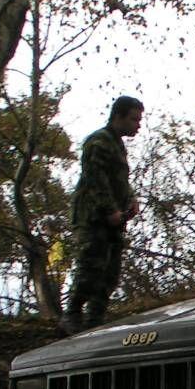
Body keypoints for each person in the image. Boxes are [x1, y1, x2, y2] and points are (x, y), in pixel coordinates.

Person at [59, 96, 143, 335]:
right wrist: (109, 210)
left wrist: (130, 200)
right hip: (93, 217)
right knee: (90, 268)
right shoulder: (98, 142)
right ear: (118, 116)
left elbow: (119, 180)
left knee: (110, 274)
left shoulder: (117, 144)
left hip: (113, 219)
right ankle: (72, 315)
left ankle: (94, 321)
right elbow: (94, 179)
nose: (138, 125)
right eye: (134, 119)